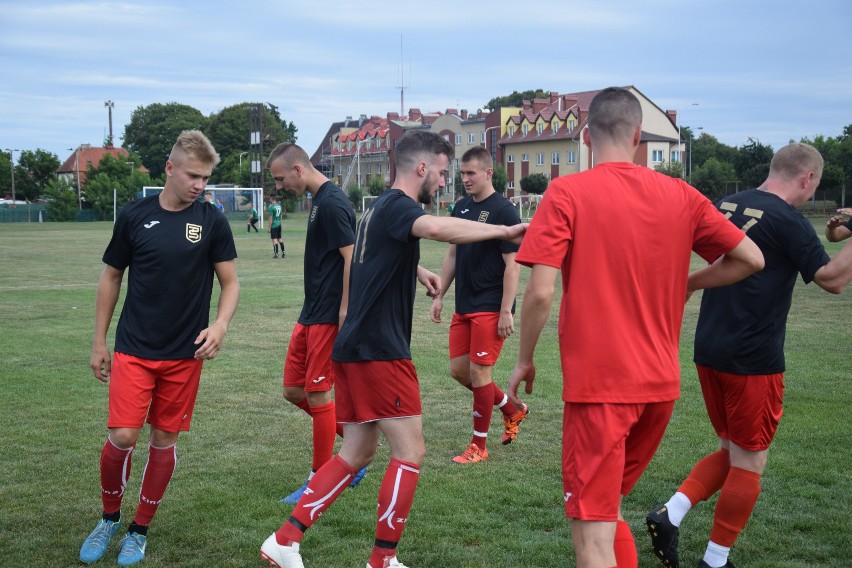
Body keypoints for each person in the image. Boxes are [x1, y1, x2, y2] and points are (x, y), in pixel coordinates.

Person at [505, 87, 765, 568]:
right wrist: (690, 281)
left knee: (592, 536)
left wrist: (524, 360)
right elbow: (750, 257)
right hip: (659, 389)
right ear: (639, 135)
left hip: (601, 389)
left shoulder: (567, 192)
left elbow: (539, 292)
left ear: (585, 134)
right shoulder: (682, 193)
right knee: (606, 512)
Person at [260, 130, 526, 568]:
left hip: (354, 348)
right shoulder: (402, 207)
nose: (445, 181)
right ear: (421, 168)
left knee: (356, 453)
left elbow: (384, 256)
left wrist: (417, 273)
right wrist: (505, 228)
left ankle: (285, 540)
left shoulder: (376, 208)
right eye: (442, 172)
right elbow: (439, 229)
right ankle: (382, 560)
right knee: (410, 452)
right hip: (380, 351)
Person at [646, 143, 852, 568]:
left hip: (710, 348)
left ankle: (672, 513)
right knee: (751, 459)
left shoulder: (724, 205)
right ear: (807, 179)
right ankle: (716, 561)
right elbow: (832, 279)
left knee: (730, 450)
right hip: (753, 355)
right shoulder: (789, 220)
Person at [80, 130, 240, 566]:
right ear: (170, 169)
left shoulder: (211, 221)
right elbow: (111, 277)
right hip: (134, 347)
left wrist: (221, 324)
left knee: (163, 440)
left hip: (185, 355)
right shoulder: (134, 216)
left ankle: (139, 529)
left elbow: (230, 282)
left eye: (205, 178)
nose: (199, 185)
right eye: (193, 175)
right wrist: (99, 342)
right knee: (123, 435)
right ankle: (109, 517)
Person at [265, 143, 366, 504]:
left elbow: (352, 258)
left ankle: (321, 481)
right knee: (293, 390)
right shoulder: (318, 200)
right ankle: (354, 454)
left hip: (327, 315)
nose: (279, 186)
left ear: (297, 169)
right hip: (309, 313)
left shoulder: (334, 202)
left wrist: (344, 311)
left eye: (280, 178)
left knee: (319, 394)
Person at [429, 146, 527, 464]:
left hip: (490, 304)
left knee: (479, 373)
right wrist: (441, 294)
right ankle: (511, 409)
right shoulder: (460, 207)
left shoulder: (504, 212)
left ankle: (478, 447)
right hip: (464, 303)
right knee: (460, 372)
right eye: (462, 174)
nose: (465, 179)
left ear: (488, 173)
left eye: (471, 173)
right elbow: (453, 254)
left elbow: (513, 265)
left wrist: (505, 310)